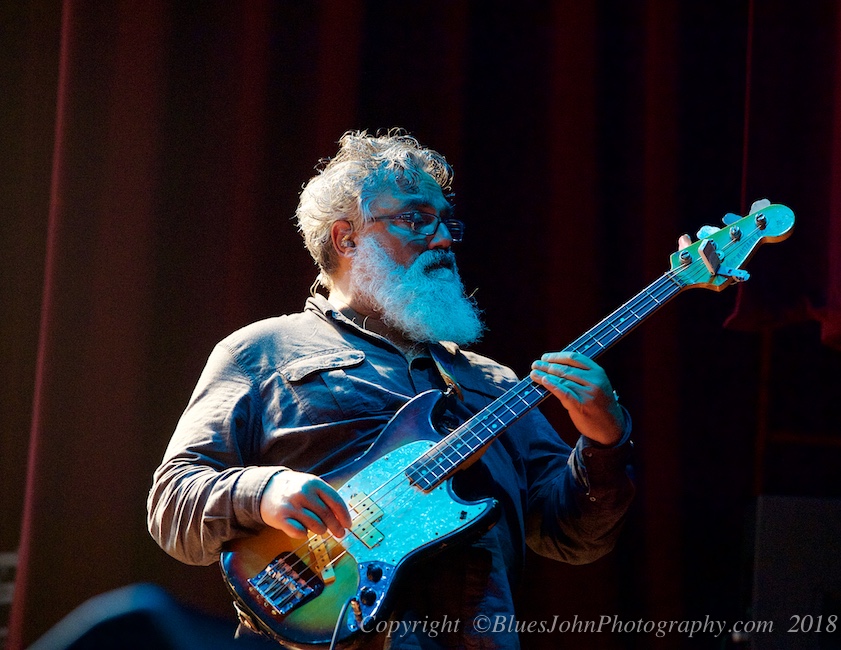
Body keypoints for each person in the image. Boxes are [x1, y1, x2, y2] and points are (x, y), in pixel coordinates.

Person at [147, 130, 635, 649]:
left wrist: (605, 441)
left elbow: (574, 538)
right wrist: (267, 493)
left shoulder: (492, 382)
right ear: (347, 237)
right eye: (415, 219)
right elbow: (171, 503)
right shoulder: (263, 350)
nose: (444, 238)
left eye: (447, 222)